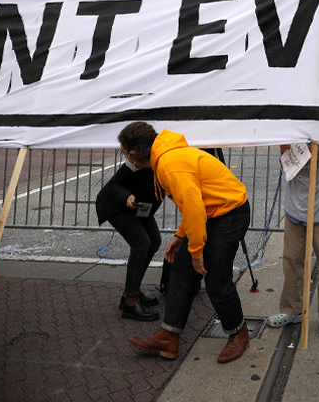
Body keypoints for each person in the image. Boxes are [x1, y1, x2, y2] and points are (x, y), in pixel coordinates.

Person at [120, 122, 252, 364]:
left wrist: (197, 252)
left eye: (124, 152)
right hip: (211, 213)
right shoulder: (165, 158)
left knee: (215, 278)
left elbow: (194, 207)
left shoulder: (169, 164)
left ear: (134, 153)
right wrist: (181, 236)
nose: (125, 158)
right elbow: (193, 203)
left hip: (230, 213)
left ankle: (239, 333)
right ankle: (169, 337)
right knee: (180, 270)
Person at [267, 143, 319, 338]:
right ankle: (291, 309)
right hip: (296, 205)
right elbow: (286, 165)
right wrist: (284, 150)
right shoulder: (295, 131)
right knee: (291, 258)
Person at [95, 146, 162, 321]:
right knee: (141, 243)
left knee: (154, 240)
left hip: (141, 206)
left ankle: (132, 291)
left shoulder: (161, 161)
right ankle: (130, 302)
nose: (129, 159)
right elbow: (115, 184)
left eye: (133, 157)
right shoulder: (135, 161)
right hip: (116, 204)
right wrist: (127, 196)